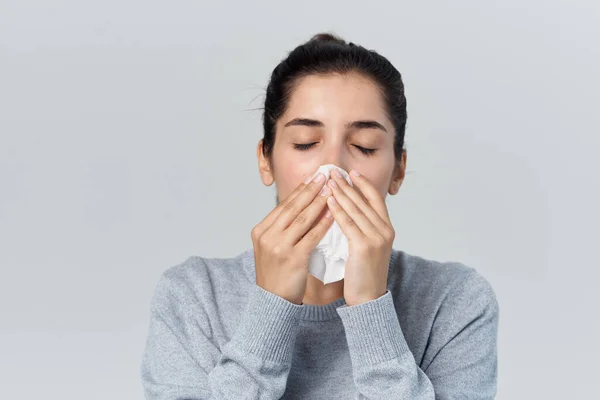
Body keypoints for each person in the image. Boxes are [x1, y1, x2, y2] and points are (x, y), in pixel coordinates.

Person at [140, 32, 499, 399]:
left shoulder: (454, 301)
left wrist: (371, 308)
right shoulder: (194, 297)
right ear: (266, 160)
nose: (332, 168)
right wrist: (271, 308)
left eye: (364, 146)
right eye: (305, 143)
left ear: (398, 171)